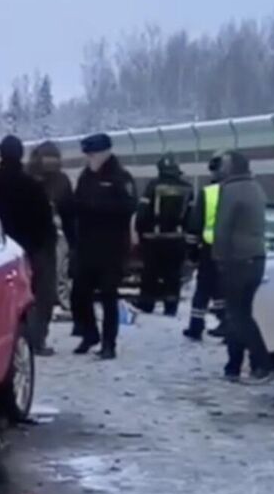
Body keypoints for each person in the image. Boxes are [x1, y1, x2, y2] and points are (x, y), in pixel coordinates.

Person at [0, 136, 59, 356]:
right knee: (33, 297)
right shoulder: (34, 187)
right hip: (29, 251)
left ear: (1, 154)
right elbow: (46, 224)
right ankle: (33, 341)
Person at [66, 133, 137, 360]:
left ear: (105, 153)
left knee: (108, 296)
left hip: (111, 248)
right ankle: (90, 333)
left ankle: (109, 343)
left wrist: (95, 208)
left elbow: (128, 207)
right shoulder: (86, 177)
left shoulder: (120, 177)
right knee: (79, 294)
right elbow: (78, 204)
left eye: (92, 154)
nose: (89, 158)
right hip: (87, 246)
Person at [212, 149, 273, 382]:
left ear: (231, 168)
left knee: (238, 316)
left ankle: (263, 364)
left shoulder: (230, 190)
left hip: (236, 260)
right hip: (257, 258)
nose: (219, 169)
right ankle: (233, 366)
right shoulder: (256, 188)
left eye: (223, 165)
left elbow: (223, 227)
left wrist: (219, 257)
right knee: (239, 313)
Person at [134, 156, 194, 316]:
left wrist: (141, 234)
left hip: (154, 239)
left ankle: (147, 304)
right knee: (173, 275)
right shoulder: (187, 188)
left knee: (150, 274)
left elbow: (142, 213)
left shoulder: (153, 186)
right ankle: (171, 306)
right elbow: (192, 216)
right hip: (177, 239)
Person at [27, 140, 75, 330]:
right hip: (36, 236)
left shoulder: (61, 181)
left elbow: (69, 210)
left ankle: (57, 303)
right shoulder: (32, 180)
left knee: (56, 272)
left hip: (54, 233)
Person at [183, 156, 227, 341]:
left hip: (210, 248)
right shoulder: (239, 191)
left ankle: (196, 326)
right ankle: (227, 322)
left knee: (203, 288)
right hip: (234, 248)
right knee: (224, 288)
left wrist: (192, 252)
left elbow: (195, 224)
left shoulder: (207, 193)